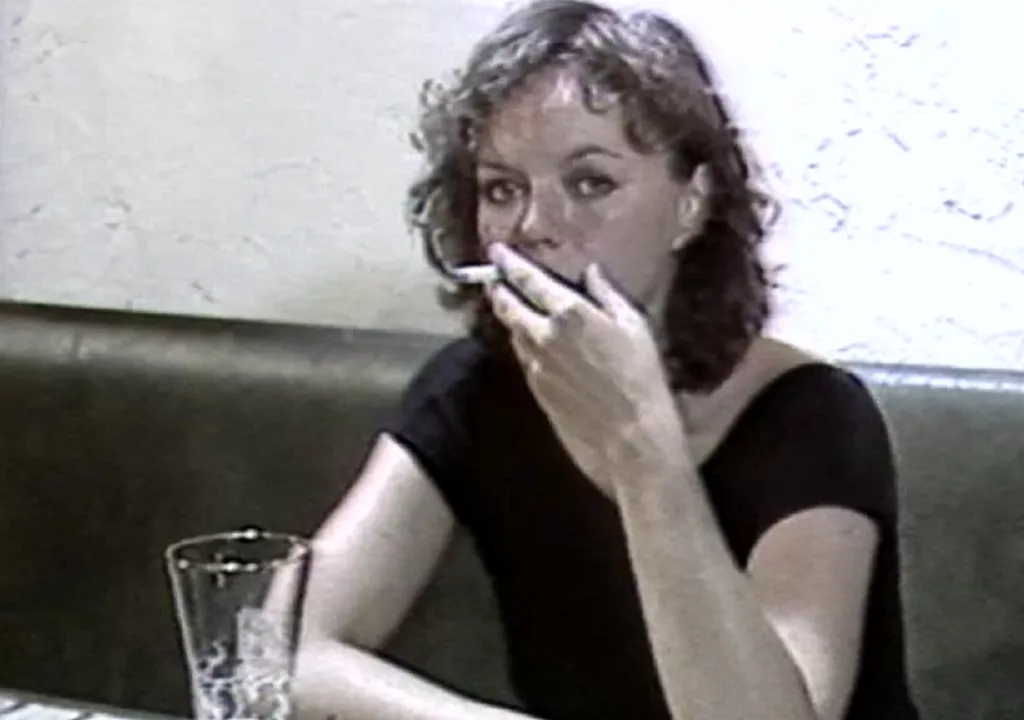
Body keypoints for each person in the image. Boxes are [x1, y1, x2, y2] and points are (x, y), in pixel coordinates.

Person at [291, 1, 920, 718]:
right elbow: (285, 653)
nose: (534, 227)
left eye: (591, 183)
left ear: (690, 204)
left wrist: (642, 449)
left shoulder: (812, 415)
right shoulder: (473, 394)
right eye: (502, 189)